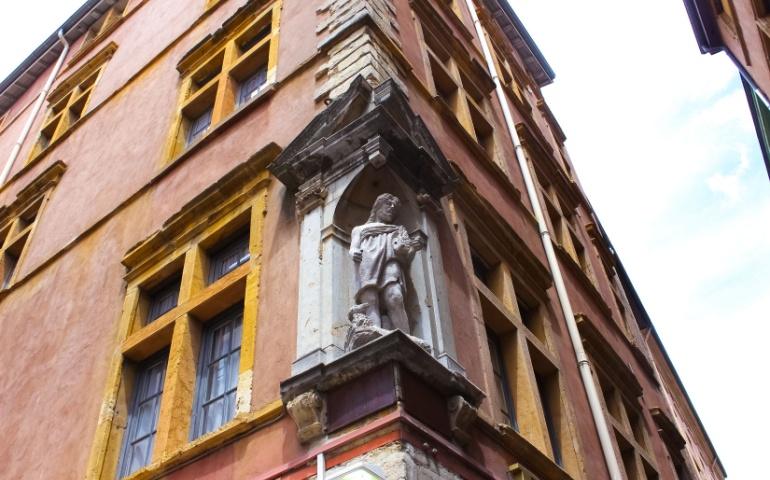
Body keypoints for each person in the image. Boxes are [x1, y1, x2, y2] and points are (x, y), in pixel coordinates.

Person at [349, 193, 423, 333]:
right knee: (370, 301)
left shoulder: (398, 230)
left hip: (391, 262)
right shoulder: (359, 229)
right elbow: (353, 247)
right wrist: (353, 252)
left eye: (394, 208)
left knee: (395, 296)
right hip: (367, 263)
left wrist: (412, 248)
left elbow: (406, 255)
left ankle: (406, 337)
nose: (391, 209)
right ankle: (375, 334)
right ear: (377, 206)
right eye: (388, 205)